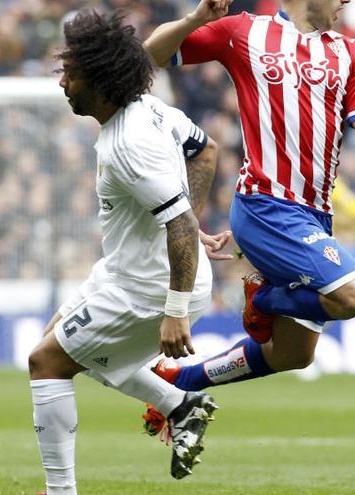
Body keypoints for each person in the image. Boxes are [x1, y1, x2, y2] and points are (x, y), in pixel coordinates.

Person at [138, 0, 355, 434]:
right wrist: (196, 19)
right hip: (264, 204)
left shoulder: (349, 53)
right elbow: (150, 55)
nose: (347, 2)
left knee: (293, 355)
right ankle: (263, 298)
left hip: (314, 217)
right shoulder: (245, 32)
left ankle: (178, 382)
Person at [27, 10, 222, 493]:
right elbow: (207, 150)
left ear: (99, 79)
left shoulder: (127, 145)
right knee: (61, 340)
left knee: (47, 363)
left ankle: (60, 491)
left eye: (69, 73)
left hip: (151, 289)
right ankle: (180, 405)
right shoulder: (150, 110)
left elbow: (177, 220)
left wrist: (175, 310)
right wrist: (189, 218)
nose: (63, 83)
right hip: (128, 271)